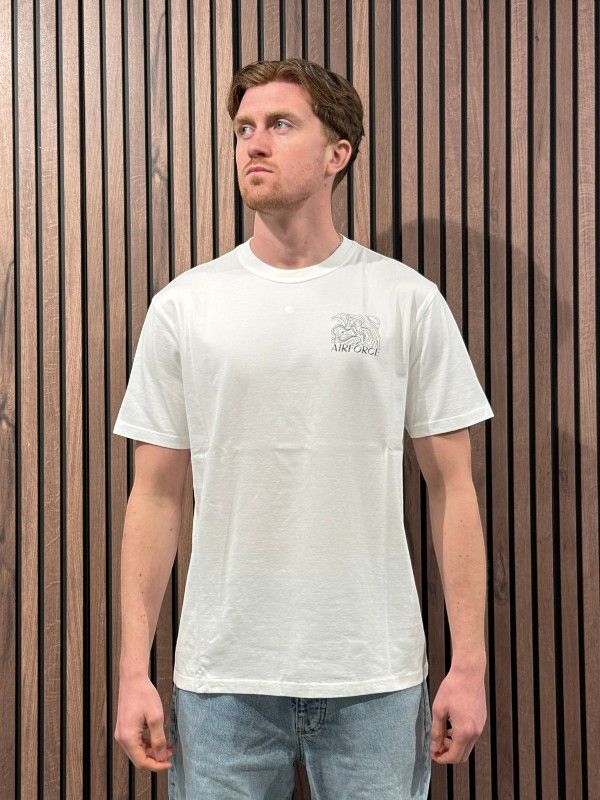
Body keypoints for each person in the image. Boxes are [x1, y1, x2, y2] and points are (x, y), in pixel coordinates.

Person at [112, 57, 492, 799]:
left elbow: (453, 489)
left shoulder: (405, 300)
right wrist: (132, 671)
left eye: (281, 125)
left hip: (375, 678)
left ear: (336, 154)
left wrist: (470, 665)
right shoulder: (185, 307)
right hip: (221, 683)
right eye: (243, 129)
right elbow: (153, 498)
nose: (253, 143)